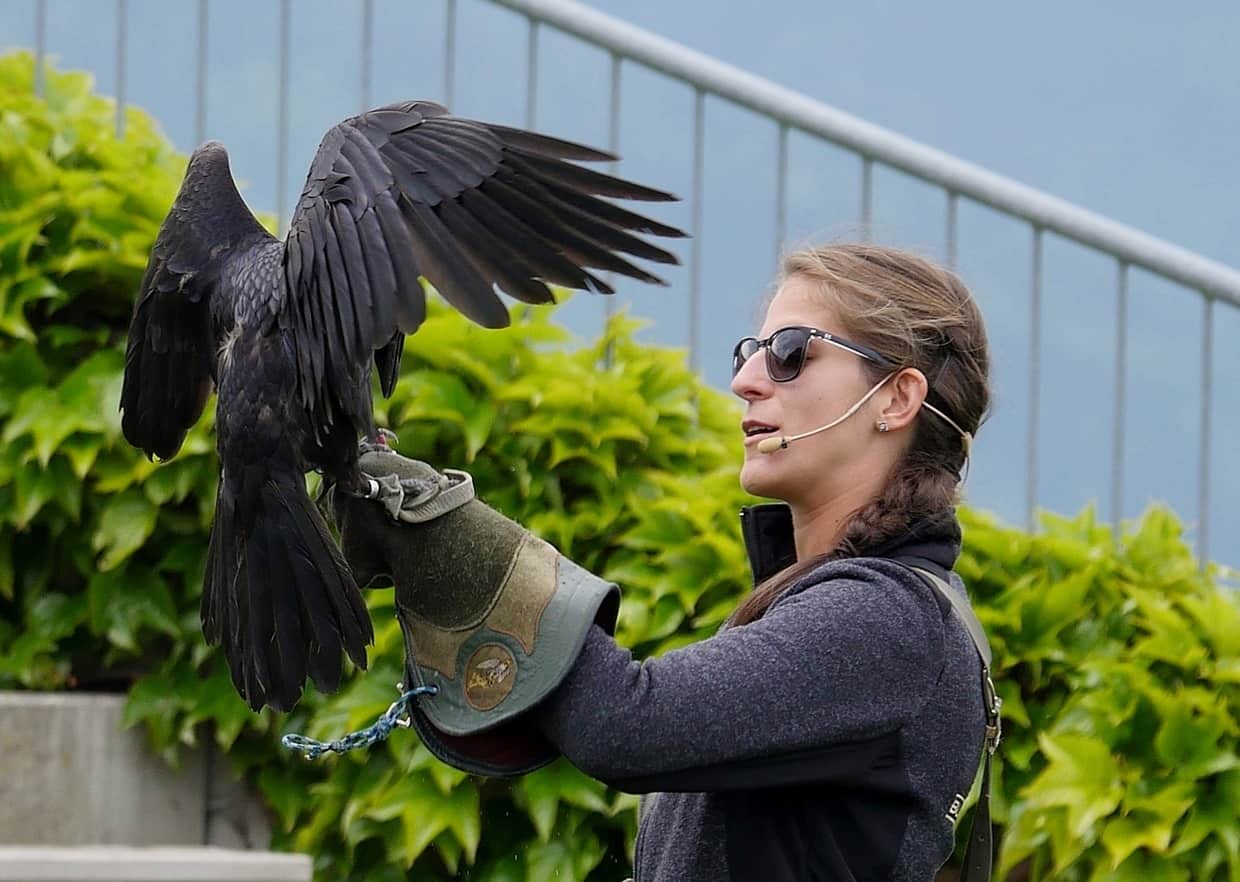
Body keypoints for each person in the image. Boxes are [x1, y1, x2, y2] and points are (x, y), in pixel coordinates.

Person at [327, 242, 998, 882]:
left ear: (897, 398)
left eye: (791, 353)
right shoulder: (857, 607)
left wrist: (443, 531)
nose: (744, 381)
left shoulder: (888, 620)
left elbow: (625, 724)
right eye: (751, 351)